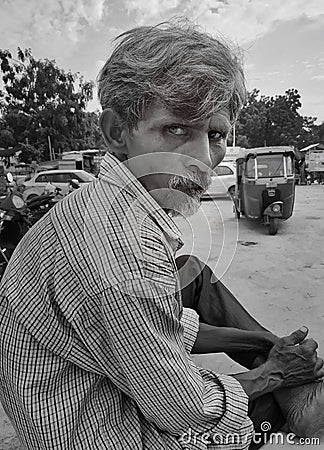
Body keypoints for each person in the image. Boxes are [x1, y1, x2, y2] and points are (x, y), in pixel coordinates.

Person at [0, 19, 323, 450]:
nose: (204, 160)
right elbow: (186, 409)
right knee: (261, 410)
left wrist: (267, 343)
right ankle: (301, 400)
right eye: (176, 129)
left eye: (215, 134)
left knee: (192, 273)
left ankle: (295, 383)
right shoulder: (124, 252)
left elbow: (166, 325)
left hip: (60, 394)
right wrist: (274, 372)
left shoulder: (112, 203)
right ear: (117, 132)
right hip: (97, 431)